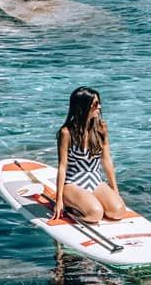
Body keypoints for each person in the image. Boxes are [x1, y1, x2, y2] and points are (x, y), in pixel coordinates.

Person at [53, 86, 130, 225]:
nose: (99, 107)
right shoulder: (67, 133)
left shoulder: (101, 128)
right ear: (82, 106)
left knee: (118, 212)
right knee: (95, 214)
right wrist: (58, 200)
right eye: (95, 104)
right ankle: (73, 207)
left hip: (95, 180)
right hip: (73, 182)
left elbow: (107, 160)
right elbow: (62, 166)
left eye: (99, 103)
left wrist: (115, 190)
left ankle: (89, 202)